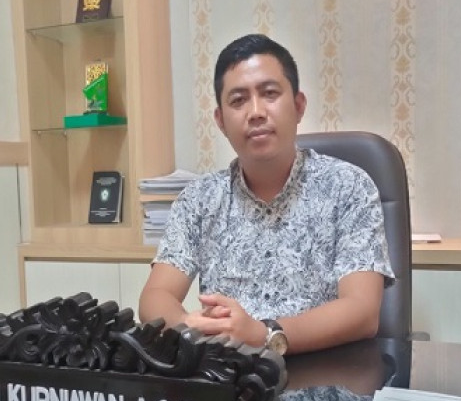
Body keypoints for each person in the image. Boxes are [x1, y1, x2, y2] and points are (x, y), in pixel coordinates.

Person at [138, 33, 393, 355]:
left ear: (298, 106)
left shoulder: (347, 186)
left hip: (327, 372)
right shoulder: (199, 200)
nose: (256, 112)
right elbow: (155, 296)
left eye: (270, 94)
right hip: (229, 375)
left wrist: (263, 335)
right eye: (238, 100)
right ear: (220, 121)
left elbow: (362, 311)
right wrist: (189, 328)